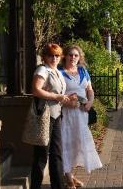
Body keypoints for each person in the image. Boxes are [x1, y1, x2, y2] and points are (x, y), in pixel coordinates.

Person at [60, 45, 103, 189]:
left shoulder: (83, 71)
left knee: (77, 145)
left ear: (79, 57)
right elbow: (55, 94)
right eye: (70, 55)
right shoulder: (59, 72)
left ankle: (70, 175)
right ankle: (69, 180)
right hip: (66, 115)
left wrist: (90, 102)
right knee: (67, 145)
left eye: (76, 55)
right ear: (65, 56)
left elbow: (89, 90)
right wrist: (67, 102)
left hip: (82, 114)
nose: (73, 58)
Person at [30, 43, 71, 189]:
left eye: (57, 55)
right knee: (41, 156)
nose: (54, 58)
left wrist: (65, 98)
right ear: (44, 57)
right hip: (45, 116)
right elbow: (36, 90)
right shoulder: (42, 70)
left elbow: (58, 94)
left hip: (56, 116)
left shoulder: (58, 72)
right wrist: (57, 97)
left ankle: (58, 185)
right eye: (50, 55)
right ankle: (35, 186)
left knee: (57, 154)